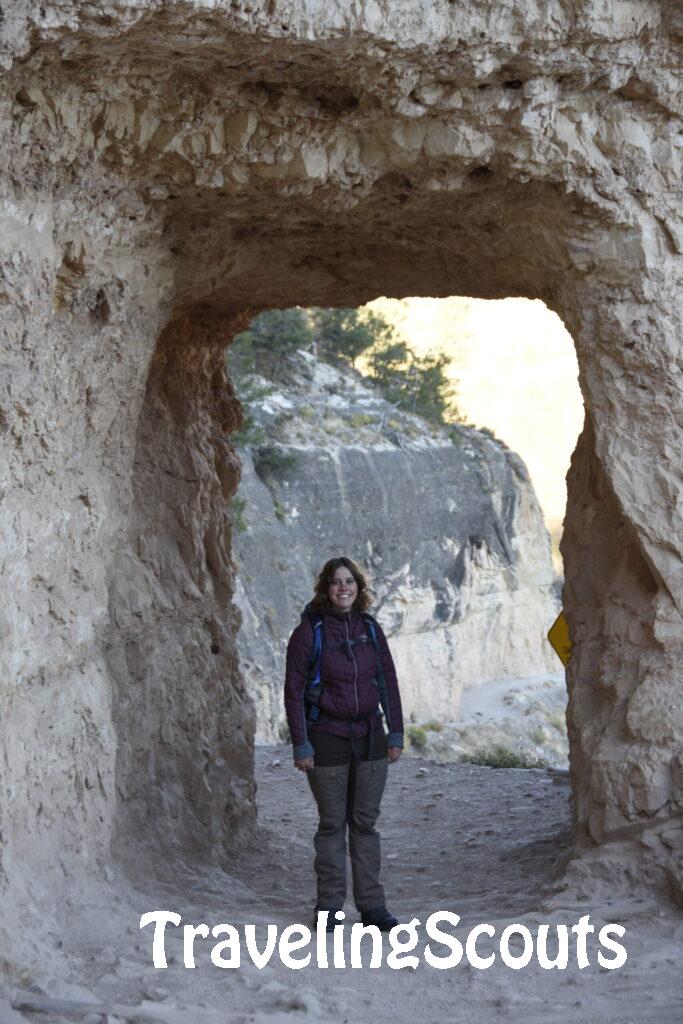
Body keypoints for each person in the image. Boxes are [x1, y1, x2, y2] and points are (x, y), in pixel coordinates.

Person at [284, 556, 404, 932]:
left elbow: (387, 681)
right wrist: (301, 745)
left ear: (358, 587)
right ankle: (330, 907)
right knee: (333, 824)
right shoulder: (309, 633)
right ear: (325, 588)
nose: (343, 588)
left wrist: (396, 732)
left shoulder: (370, 628)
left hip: (370, 738)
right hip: (327, 740)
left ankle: (372, 907)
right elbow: (293, 691)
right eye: (336, 582)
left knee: (365, 826)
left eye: (349, 581)